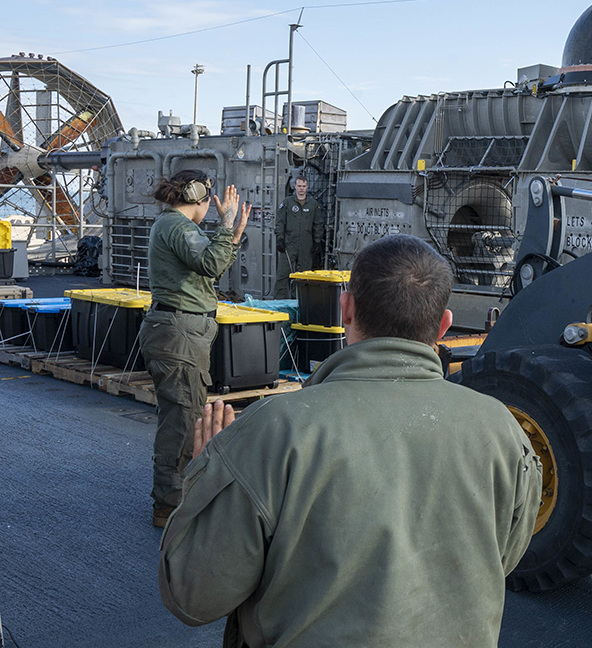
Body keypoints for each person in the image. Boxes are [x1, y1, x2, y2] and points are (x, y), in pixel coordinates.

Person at [158, 234, 542, 648]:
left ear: (346, 309)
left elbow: (193, 597)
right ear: (444, 324)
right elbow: (501, 557)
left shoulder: (271, 431)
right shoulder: (504, 431)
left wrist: (205, 477)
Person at [141, 169, 250, 528]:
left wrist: (231, 237)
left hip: (178, 333)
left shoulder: (172, 227)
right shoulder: (178, 227)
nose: (213, 206)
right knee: (183, 423)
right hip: (180, 335)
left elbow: (209, 271)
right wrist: (227, 223)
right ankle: (169, 506)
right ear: (198, 196)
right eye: (210, 200)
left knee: (178, 417)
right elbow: (210, 263)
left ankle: (170, 497)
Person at [272, 173, 324, 298]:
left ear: (307, 187)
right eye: (299, 186)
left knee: (303, 276)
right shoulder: (287, 203)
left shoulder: (312, 204)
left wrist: (317, 241)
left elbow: (318, 223)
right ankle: (278, 303)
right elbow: (280, 221)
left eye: (304, 186)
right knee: (283, 275)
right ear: (294, 186)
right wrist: (280, 238)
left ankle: (299, 303)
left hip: (306, 243)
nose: (301, 188)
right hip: (289, 243)